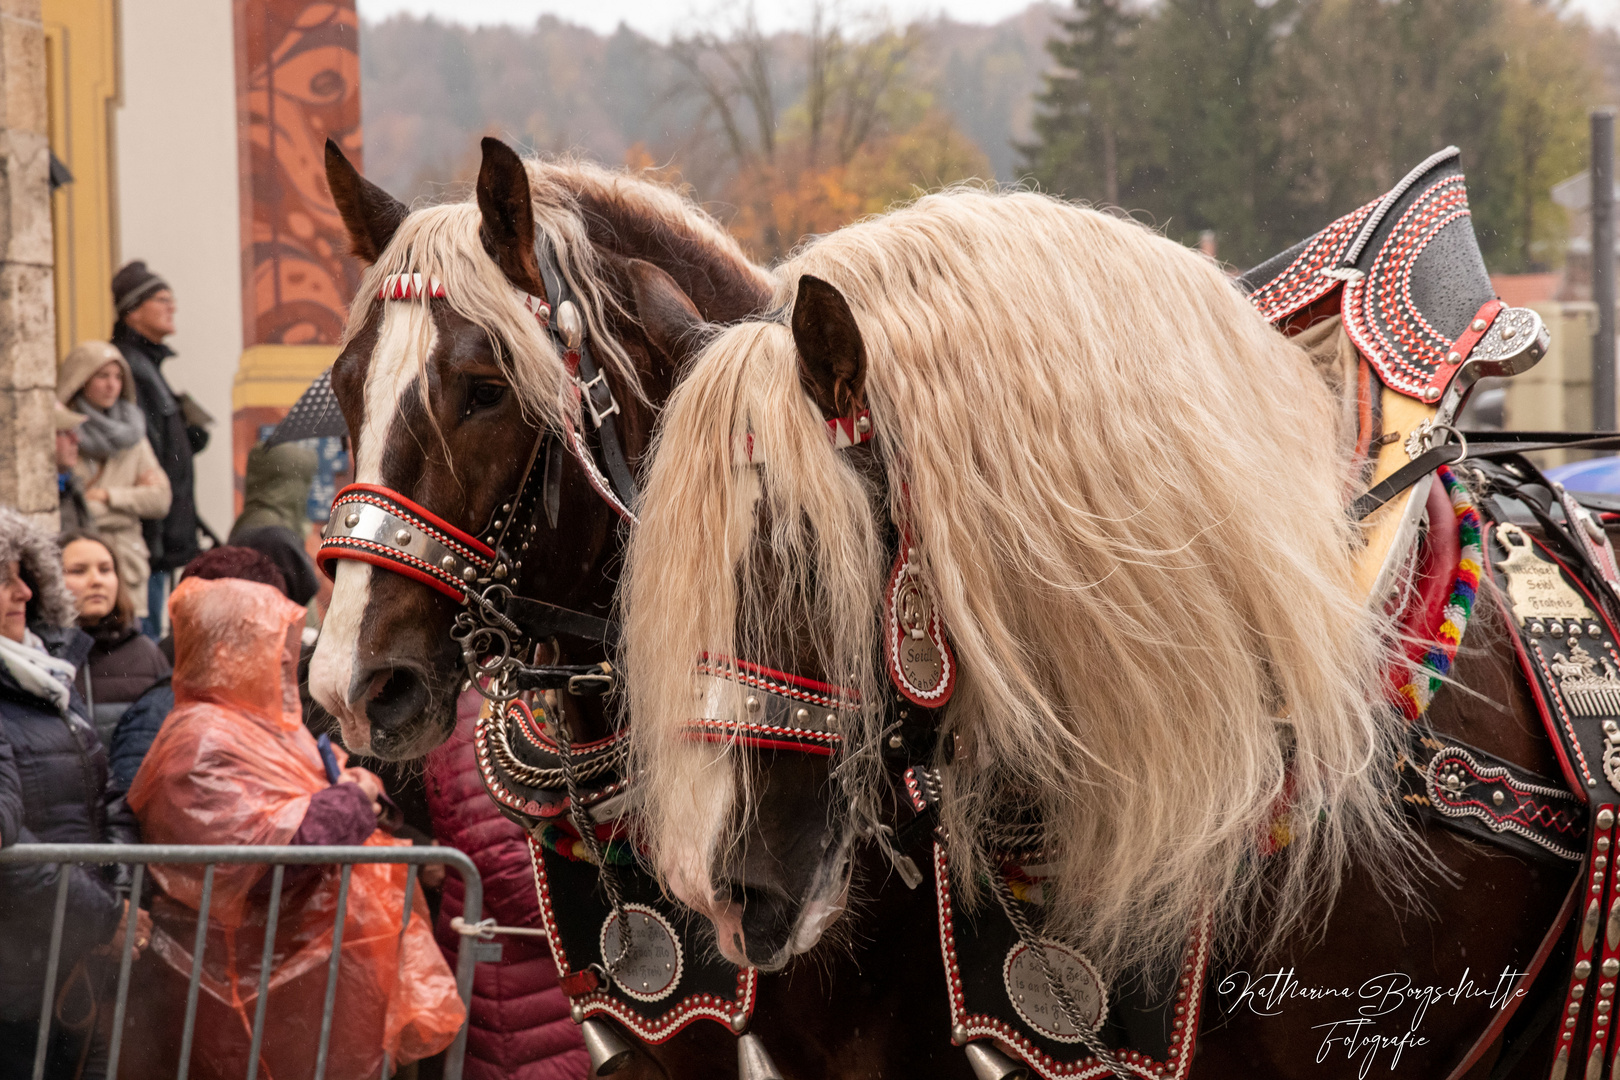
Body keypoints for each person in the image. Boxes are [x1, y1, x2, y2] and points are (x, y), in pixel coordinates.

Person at [122, 575, 463, 1080]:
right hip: (256, 996)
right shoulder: (200, 743)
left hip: (318, 987)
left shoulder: (269, 730)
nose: (286, 660)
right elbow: (270, 856)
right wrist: (353, 799)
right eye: (269, 646)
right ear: (227, 652)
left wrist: (358, 798)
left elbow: (341, 792)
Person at [0, 506, 147, 1080]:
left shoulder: (47, 674)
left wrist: (121, 897)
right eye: (3, 578)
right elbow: (12, 849)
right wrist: (105, 917)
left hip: (71, 954)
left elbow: (105, 789)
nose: (23, 590)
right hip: (18, 961)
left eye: (23, 573)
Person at [106, 545, 289, 790]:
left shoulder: (269, 711)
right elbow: (132, 811)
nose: (283, 652)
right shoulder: (159, 716)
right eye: (264, 628)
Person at [110, 261, 207, 629]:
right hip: (151, 541)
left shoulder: (144, 365)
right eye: (162, 299)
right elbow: (141, 458)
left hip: (161, 538)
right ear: (133, 310)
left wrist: (189, 435)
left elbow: (164, 448)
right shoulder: (131, 366)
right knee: (146, 637)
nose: (173, 307)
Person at [58, 341, 171, 629]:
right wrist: (131, 504)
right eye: (102, 376)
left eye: (118, 377)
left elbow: (160, 499)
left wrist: (110, 496)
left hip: (130, 570)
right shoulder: (65, 433)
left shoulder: (133, 435)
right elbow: (74, 515)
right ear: (82, 380)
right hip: (79, 577)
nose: (112, 385)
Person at [58, 533, 170, 746]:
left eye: (105, 569)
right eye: (78, 571)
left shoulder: (146, 654)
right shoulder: (41, 652)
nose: (96, 581)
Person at [53, 406, 91, 535]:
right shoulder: (34, 493)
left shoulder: (71, 483)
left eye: (75, 432)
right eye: (64, 433)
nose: (76, 440)